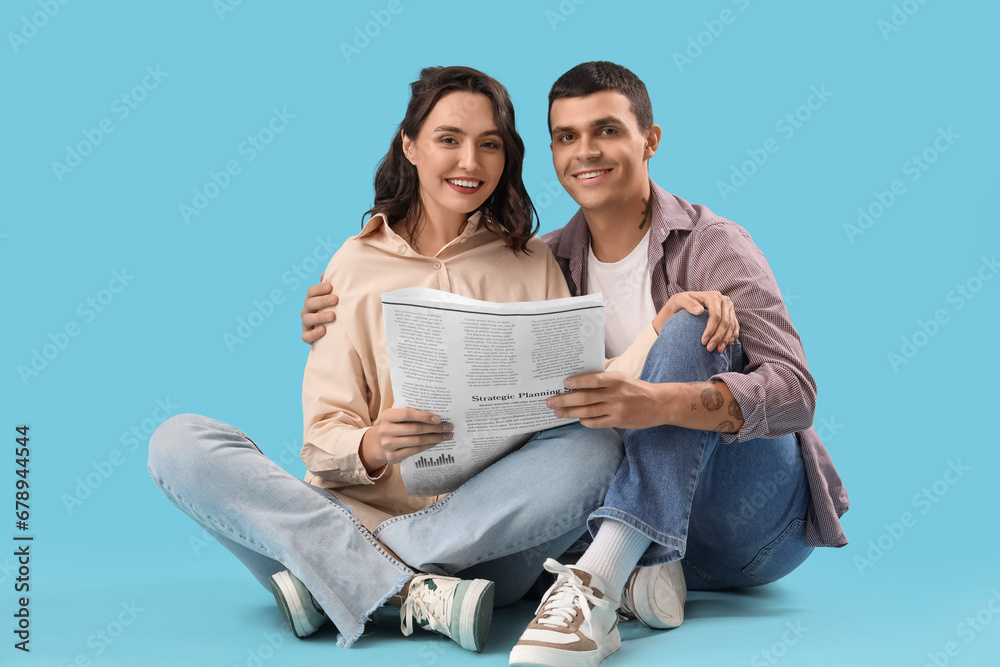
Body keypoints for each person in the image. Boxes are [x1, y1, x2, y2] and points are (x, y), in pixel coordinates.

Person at [300, 61, 849, 667]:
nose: (585, 151)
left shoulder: (710, 244)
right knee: (578, 430)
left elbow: (795, 392)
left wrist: (658, 401)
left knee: (691, 322)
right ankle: (638, 569)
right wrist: (343, 304)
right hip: (618, 534)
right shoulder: (550, 258)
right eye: (566, 137)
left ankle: (596, 587)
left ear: (650, 139)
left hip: (743, 525)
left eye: (607, 130)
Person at [148, 65, 635, 653]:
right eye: (448, 140)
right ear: (410, 146)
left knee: (598, 446)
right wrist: (372, 446)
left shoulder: (532, 261)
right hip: (351, 509)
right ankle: (412, 593)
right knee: (179, 442)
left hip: (486, 545)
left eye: (490, 145)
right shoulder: (352, 266)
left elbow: (569, 408)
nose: (470, 163)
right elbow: (323, 436)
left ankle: (339, 580)